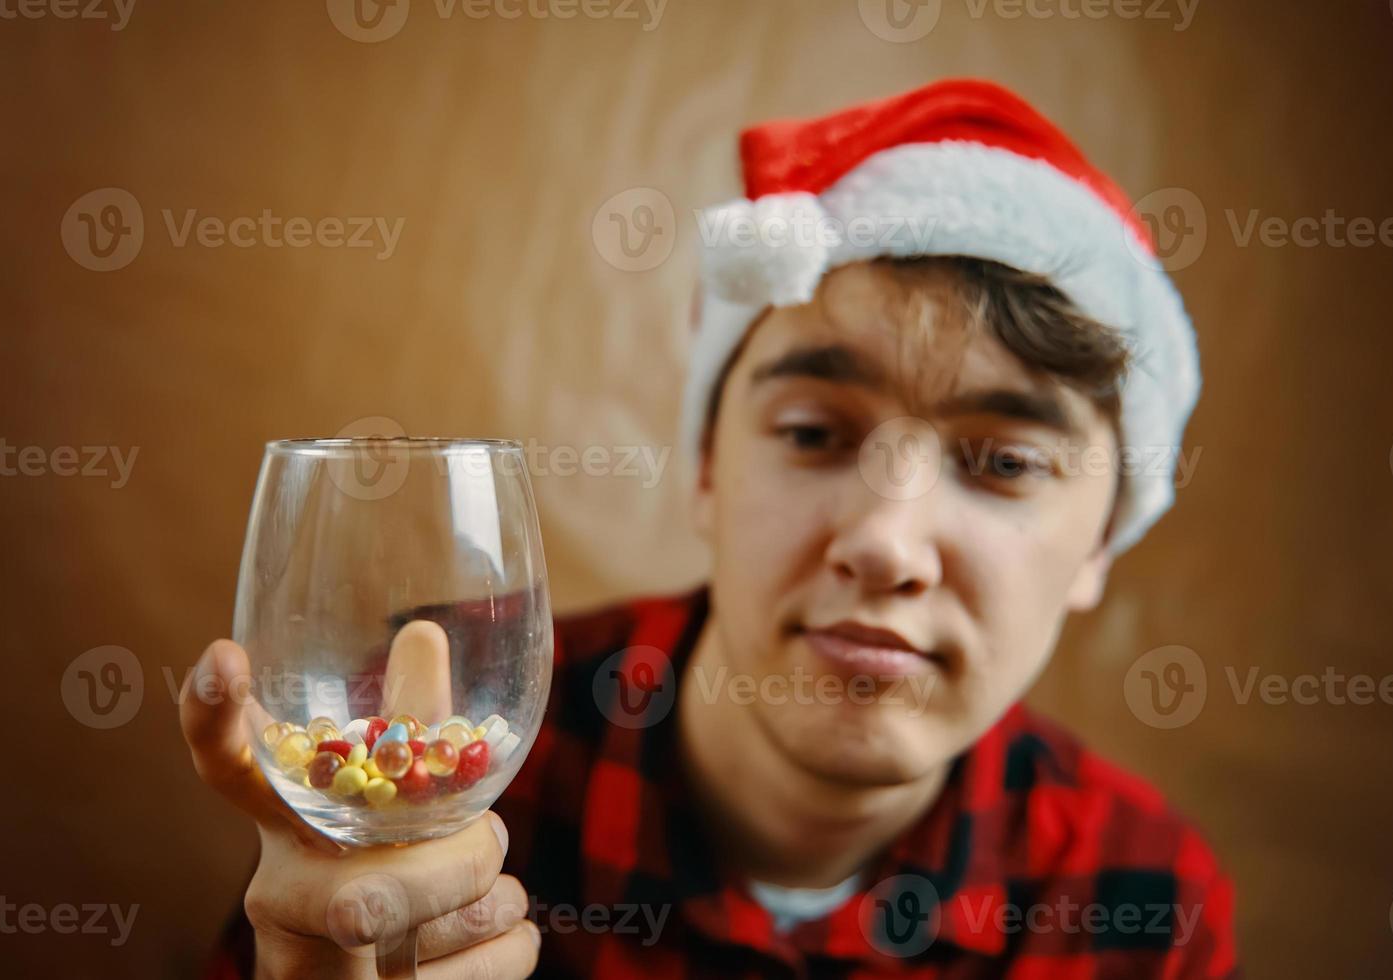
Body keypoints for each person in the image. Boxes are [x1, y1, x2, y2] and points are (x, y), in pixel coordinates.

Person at [186, 78, 1238, 978]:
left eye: (1005, 462)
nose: (885, 541)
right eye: (817, 431)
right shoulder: (446, 765)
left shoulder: (1136, 900)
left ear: (1103, 539)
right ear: (705, 467)